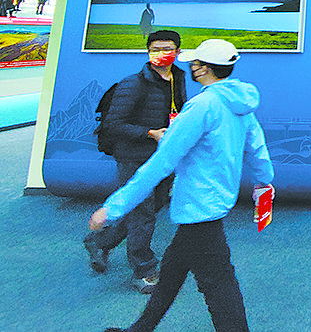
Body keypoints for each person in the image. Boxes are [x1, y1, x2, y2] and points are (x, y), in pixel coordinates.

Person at [90, 38, 274, 332]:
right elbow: (258, 150)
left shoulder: (202, 106)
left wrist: (112, 208)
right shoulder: (241, 102)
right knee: (171, 273)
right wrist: (265, 185)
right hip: (213, 203)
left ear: (203, 69)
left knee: (219, 287)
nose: (191, 67)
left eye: (195, 63)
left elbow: (161, 163)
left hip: (198, 208)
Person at [84, 30, 187, 293]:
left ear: (178, 52)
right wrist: (150, 133)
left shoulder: (178, 79)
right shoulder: (133, 84)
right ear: (148, 52)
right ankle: (144, 270)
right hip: (133, 156)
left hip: (163, 156)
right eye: (155, 49)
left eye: (168, 48)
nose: (161, 53)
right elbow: (113, 124)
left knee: (150, 207)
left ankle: (100, 242)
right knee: (142, 213)